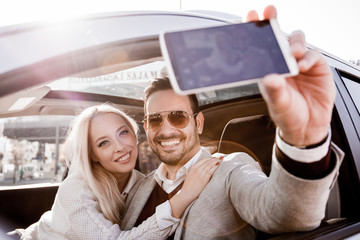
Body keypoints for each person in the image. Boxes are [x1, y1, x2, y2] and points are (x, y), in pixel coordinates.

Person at [120, 6, 344, 239]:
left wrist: (303, 141)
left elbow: (286, 214)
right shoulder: (138, 188)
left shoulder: (231, 170)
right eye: (155, 120)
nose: (166, 130)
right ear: (146, 127)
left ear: (198, 123)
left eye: (178, 117)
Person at [10, 104, 220, 239]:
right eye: (103, 143)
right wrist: (184, 196)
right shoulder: (75, 189)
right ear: (92, 154)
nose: (120, 147)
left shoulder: (142, 182)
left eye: (123, 132)